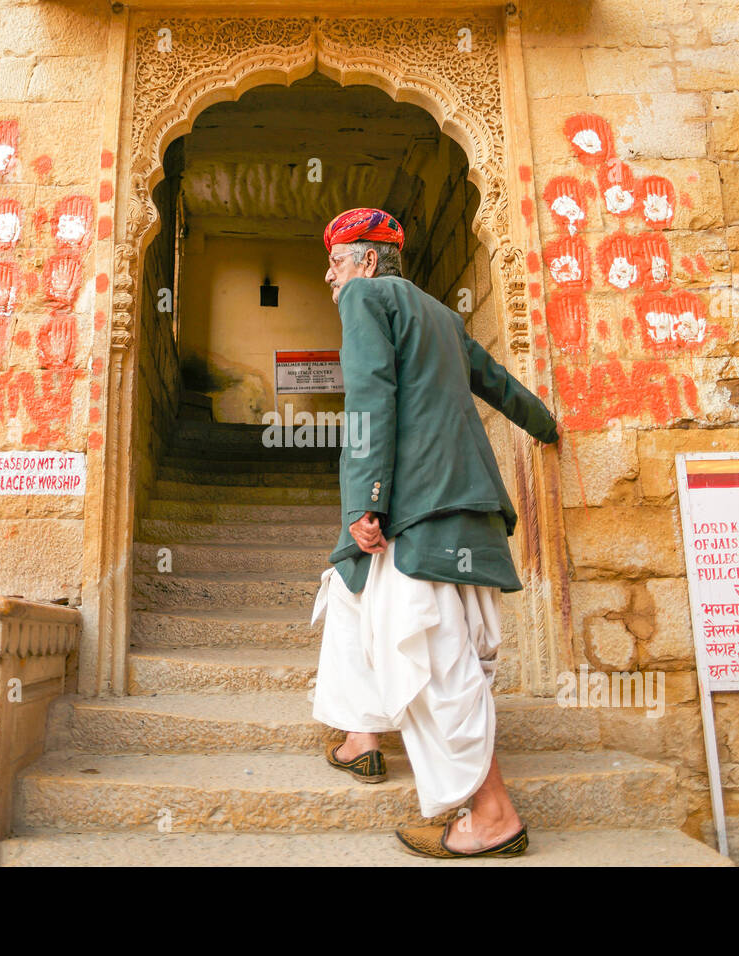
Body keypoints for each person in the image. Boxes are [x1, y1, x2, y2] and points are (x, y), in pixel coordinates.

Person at [309, 207, 559, 859]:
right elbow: (498, 382)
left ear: (365, 261)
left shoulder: (365, 297)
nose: (328, 276)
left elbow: (369, 397)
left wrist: (365, 501)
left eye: (335, 262)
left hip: (419, 507)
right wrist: (547, 425)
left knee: (433, 657)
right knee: (347, 588)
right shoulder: (442, 315)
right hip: (462, 503)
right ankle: (362, 734)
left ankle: (493, 812)